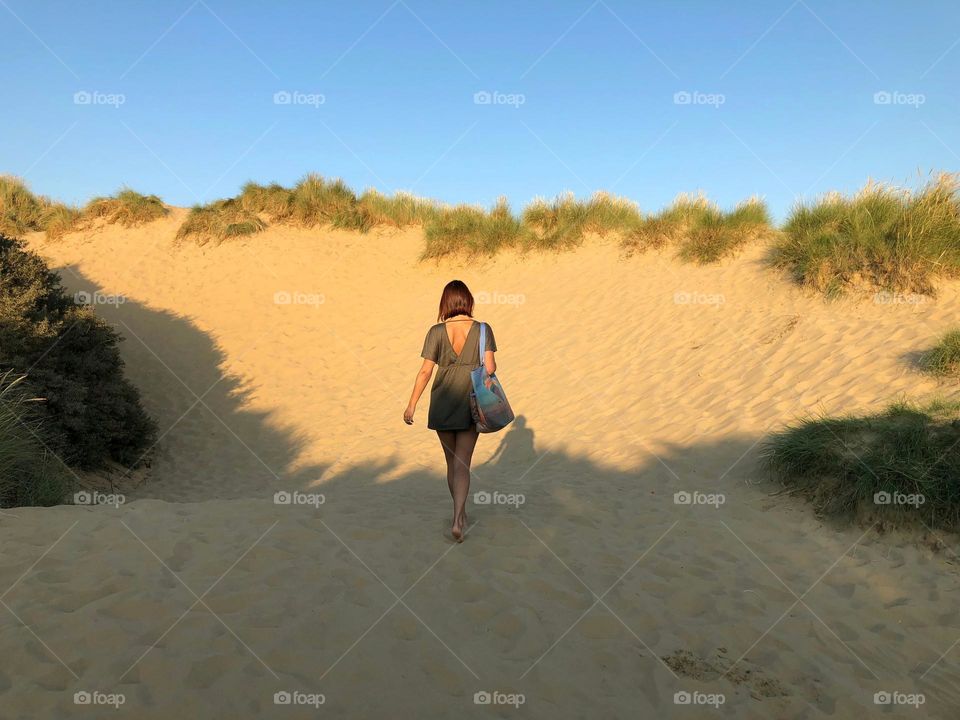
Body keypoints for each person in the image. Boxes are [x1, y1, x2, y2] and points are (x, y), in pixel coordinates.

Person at [404, 280, 497, 542]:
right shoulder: (482, 329)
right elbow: (489, 368)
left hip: (442, 401)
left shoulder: (435, 331)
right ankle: (459, 518)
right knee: (463, 464)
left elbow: (425, 371)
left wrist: (412, 404)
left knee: (450, 462)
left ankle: (459, 512)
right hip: (470, 402)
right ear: (468, 301)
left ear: (446, 303)